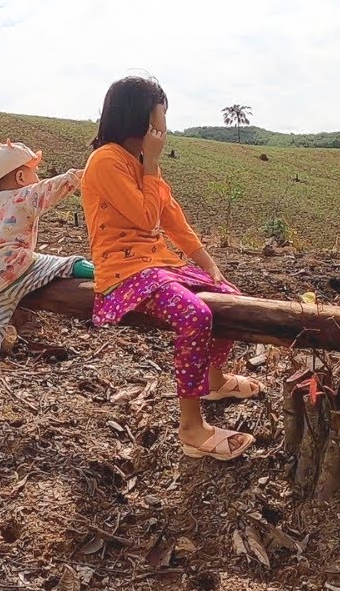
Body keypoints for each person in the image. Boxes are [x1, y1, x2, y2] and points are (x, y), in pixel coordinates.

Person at [81, 76, 262, 462]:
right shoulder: (106, 161)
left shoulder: (141, 164)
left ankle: (214, 381)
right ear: (141, 117)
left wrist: (211, 267)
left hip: (159, 266)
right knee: (195, 316)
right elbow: (147, 219)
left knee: (229, 298)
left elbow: (173, 220)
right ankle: (191, 428)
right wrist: (154, 164)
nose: (165, 123)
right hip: (125, 273)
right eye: (161, 112)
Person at [0, 141, 94, 414]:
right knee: (64, 264)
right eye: (32, 172)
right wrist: (79, 175)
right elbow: (52, 188)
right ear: (20, 177)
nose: (36, 178)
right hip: (19, 267)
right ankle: (102, 273)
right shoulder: (24, 196)